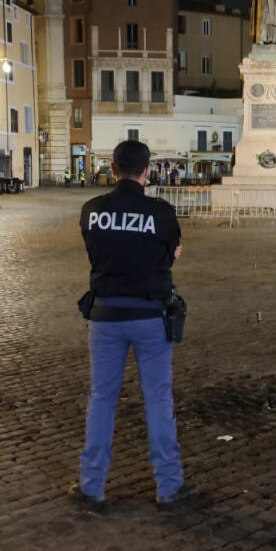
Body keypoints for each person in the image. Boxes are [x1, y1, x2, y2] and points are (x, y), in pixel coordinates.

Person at [72, 140, 196, 512]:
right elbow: (169, 255)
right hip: (148, 317)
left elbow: (96, 252)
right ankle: (169, 487)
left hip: (106, 317)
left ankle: (91, 487)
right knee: (158, 399)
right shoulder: (161, 213)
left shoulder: (92, 210)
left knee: (102, 400)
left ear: (112, 169)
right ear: (147, 171)